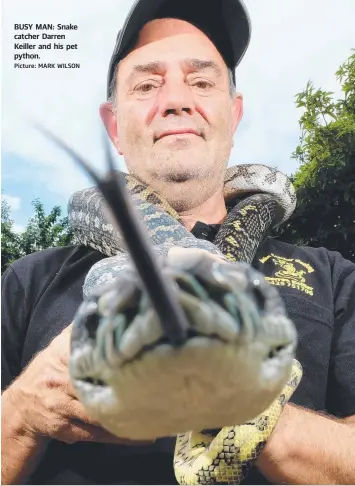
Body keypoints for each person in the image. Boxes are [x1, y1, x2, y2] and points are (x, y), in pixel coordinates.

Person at [2, 0, 355, 484]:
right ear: (113, 126)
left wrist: (254, 409)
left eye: (201, 81)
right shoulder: (28, 280)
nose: (175, 100)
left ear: (233, 115)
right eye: (147, 85)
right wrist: (21, 412)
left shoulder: (332, 277)